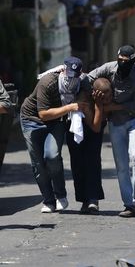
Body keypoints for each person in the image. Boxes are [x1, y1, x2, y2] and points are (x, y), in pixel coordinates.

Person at [88, 45, 135, 218]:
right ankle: (129, 205)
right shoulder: (109, 68)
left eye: (126, 61)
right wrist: (96, 95)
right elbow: (89, 77)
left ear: (133, 61)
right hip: (116, 122)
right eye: (120, 60)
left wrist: (109, 106)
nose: (122, 63)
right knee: (121, 165)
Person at [20, 57, 86, 213]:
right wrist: (70, 107)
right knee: (38, 164)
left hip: (56, 120)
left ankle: (60, 195)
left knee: (51, 156)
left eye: (74, 75)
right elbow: (43, 114)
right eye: (68, 73)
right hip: (32, 120)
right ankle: (49, 201)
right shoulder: (47, 82)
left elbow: (91, 82)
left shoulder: (81, 81)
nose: (70, 79)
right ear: (63, 69)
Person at [66, 77, 112, 214]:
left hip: (94, 127)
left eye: (109, 96)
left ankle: (93, 199)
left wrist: (107, 105)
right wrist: (99, 104)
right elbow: (95, 127)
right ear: (95, 93)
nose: (108, 99)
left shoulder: (108, 93)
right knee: (78, 163)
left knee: (93, 162)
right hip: (78, 127)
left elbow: (109, 110)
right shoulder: (84, 99)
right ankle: (84, 200)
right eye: (104, 98)